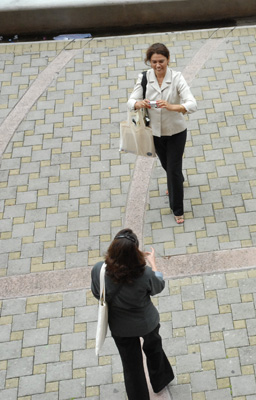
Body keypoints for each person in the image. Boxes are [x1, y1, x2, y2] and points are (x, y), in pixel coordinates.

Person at [91, 229, 174, 400]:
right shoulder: (144, 274)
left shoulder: (99, 269)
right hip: (146, 322)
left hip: (120, 327)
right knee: (154, 348)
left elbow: (97, 292)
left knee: (131, 366)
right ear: (135, 252)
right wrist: (153, 263)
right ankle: (160, 380)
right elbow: (158, 286)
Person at [127, 43, 197, 224]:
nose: (158, 65)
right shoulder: (144, 78)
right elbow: (131, 101)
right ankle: (178, 179)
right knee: (167, 164)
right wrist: (138, 103)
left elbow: (192, 104)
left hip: (176, 132)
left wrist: (173, 106)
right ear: (149, 62)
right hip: (155, 133)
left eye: (162, 61)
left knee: (173, 169)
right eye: (154, 62)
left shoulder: (177, 78)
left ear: (168, 60)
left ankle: (177, 209)